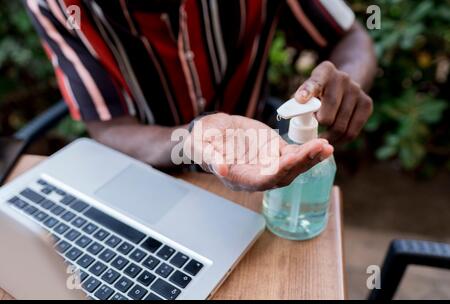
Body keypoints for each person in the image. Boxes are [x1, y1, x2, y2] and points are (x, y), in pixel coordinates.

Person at [25, 0, 376, 191]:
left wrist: (345, 82)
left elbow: (351, 38)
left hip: (262, 162)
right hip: (146, 176)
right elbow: (110, 127)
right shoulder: (55, 5)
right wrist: (191, 141)